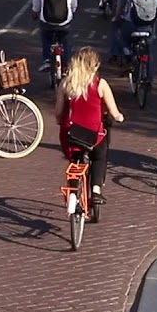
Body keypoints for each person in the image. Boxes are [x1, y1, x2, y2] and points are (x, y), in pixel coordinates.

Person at [55, 47, 125, 204]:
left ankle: (73, 190)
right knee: (100, 156)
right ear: (94, 66)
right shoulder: (101, 84)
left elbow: (59, 112)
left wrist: (60, 121)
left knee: (74, 158)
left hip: (71, 133)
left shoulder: (66, 83)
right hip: (94, 135)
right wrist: (119, 117)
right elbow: (114, 112)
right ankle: (96, 190)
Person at [32, 0, 78, 72]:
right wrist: (72, 12)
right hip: (64, 22)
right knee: (65, 40)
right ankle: (66, 64)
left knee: (46, 37)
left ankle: (47, 59)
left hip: (47, 21)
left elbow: (36, 2)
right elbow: (74, 4)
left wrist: (35, 12)